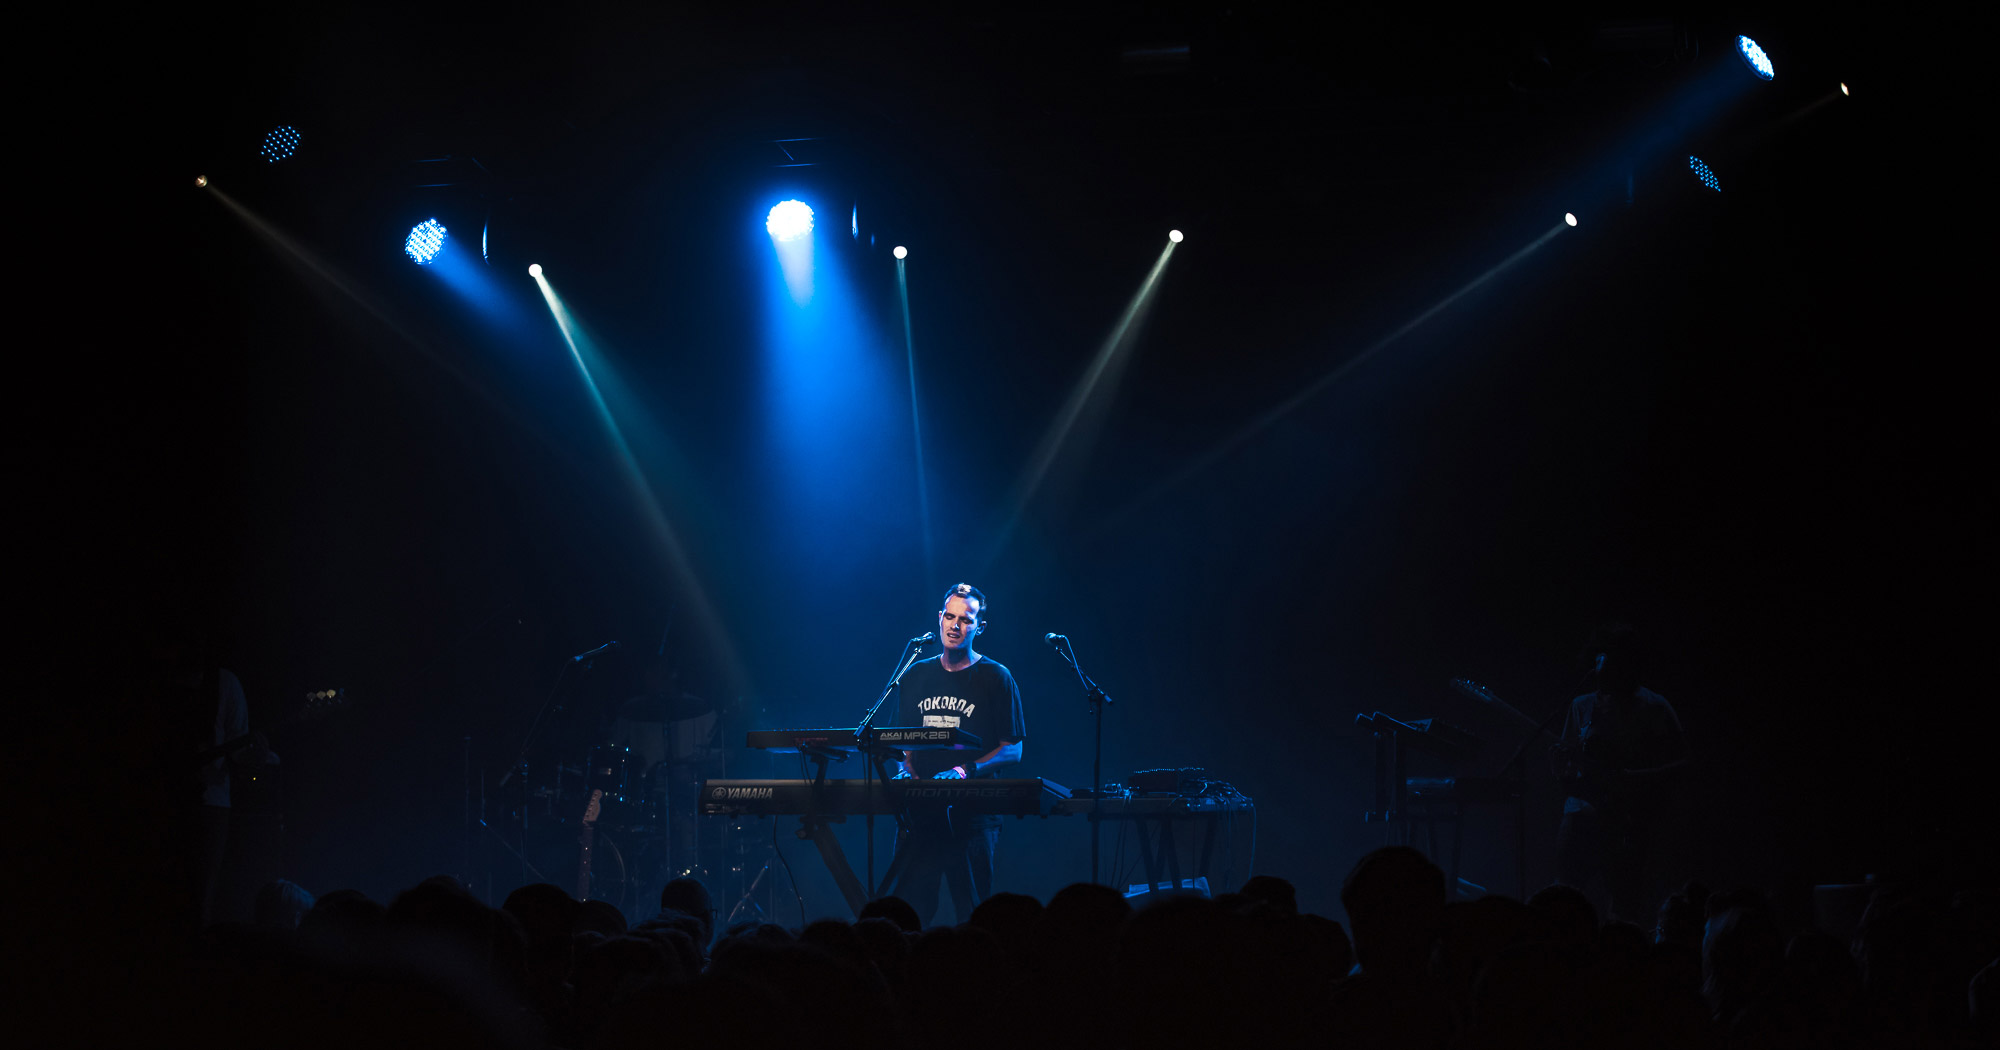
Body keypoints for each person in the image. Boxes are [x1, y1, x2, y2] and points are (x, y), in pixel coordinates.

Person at [882, 583, 1027, 926]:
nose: (955, 625)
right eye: (949, 615)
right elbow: (897, 740)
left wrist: (965, 771)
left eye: (966, 619)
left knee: (974, 913)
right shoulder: (915, 673)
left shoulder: (996, 677)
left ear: (979, 627)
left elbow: (1014, 749)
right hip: (920, 812)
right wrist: (905, 767)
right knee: (907, 912)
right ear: (939, 618)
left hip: (973, 816)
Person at [1554, 622, 1689, 924]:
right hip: (1582, 817)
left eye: (1611, 661)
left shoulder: (1655, 707)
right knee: (1564, 897)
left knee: (1624, 905)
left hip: (1628, 823)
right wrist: (1563, 769)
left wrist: (1632, 778)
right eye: (1599, 660)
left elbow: (1681, 765)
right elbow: (1570, 772)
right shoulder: (1581, 706)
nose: (1602, 668)